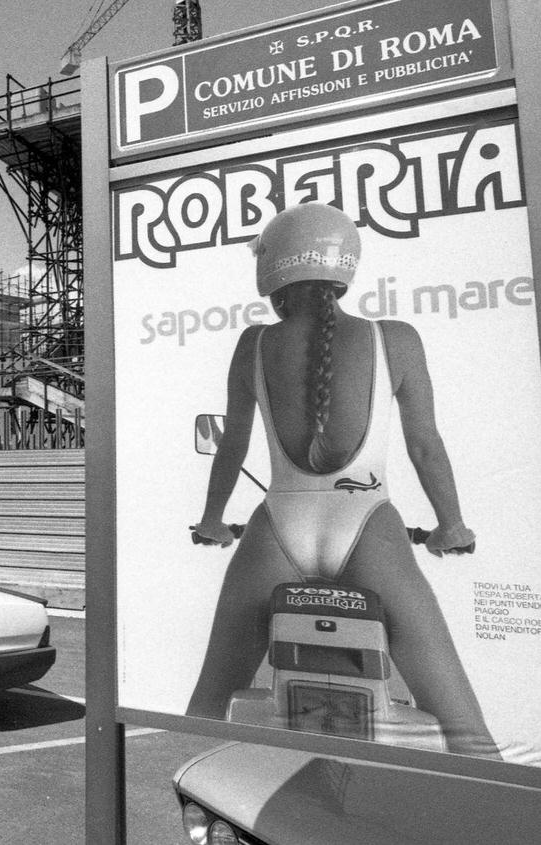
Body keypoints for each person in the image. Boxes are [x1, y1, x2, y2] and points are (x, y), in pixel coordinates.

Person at [186, 202, 499, 759]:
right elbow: (425, 445)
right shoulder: (396, 338)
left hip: (278, 527)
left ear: (274, 275)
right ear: (342, 269)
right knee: (466, 730)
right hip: (370, 527)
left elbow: (232, 445)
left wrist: (213, 522)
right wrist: (452, 525)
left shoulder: (253, 344)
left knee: (208, 705)